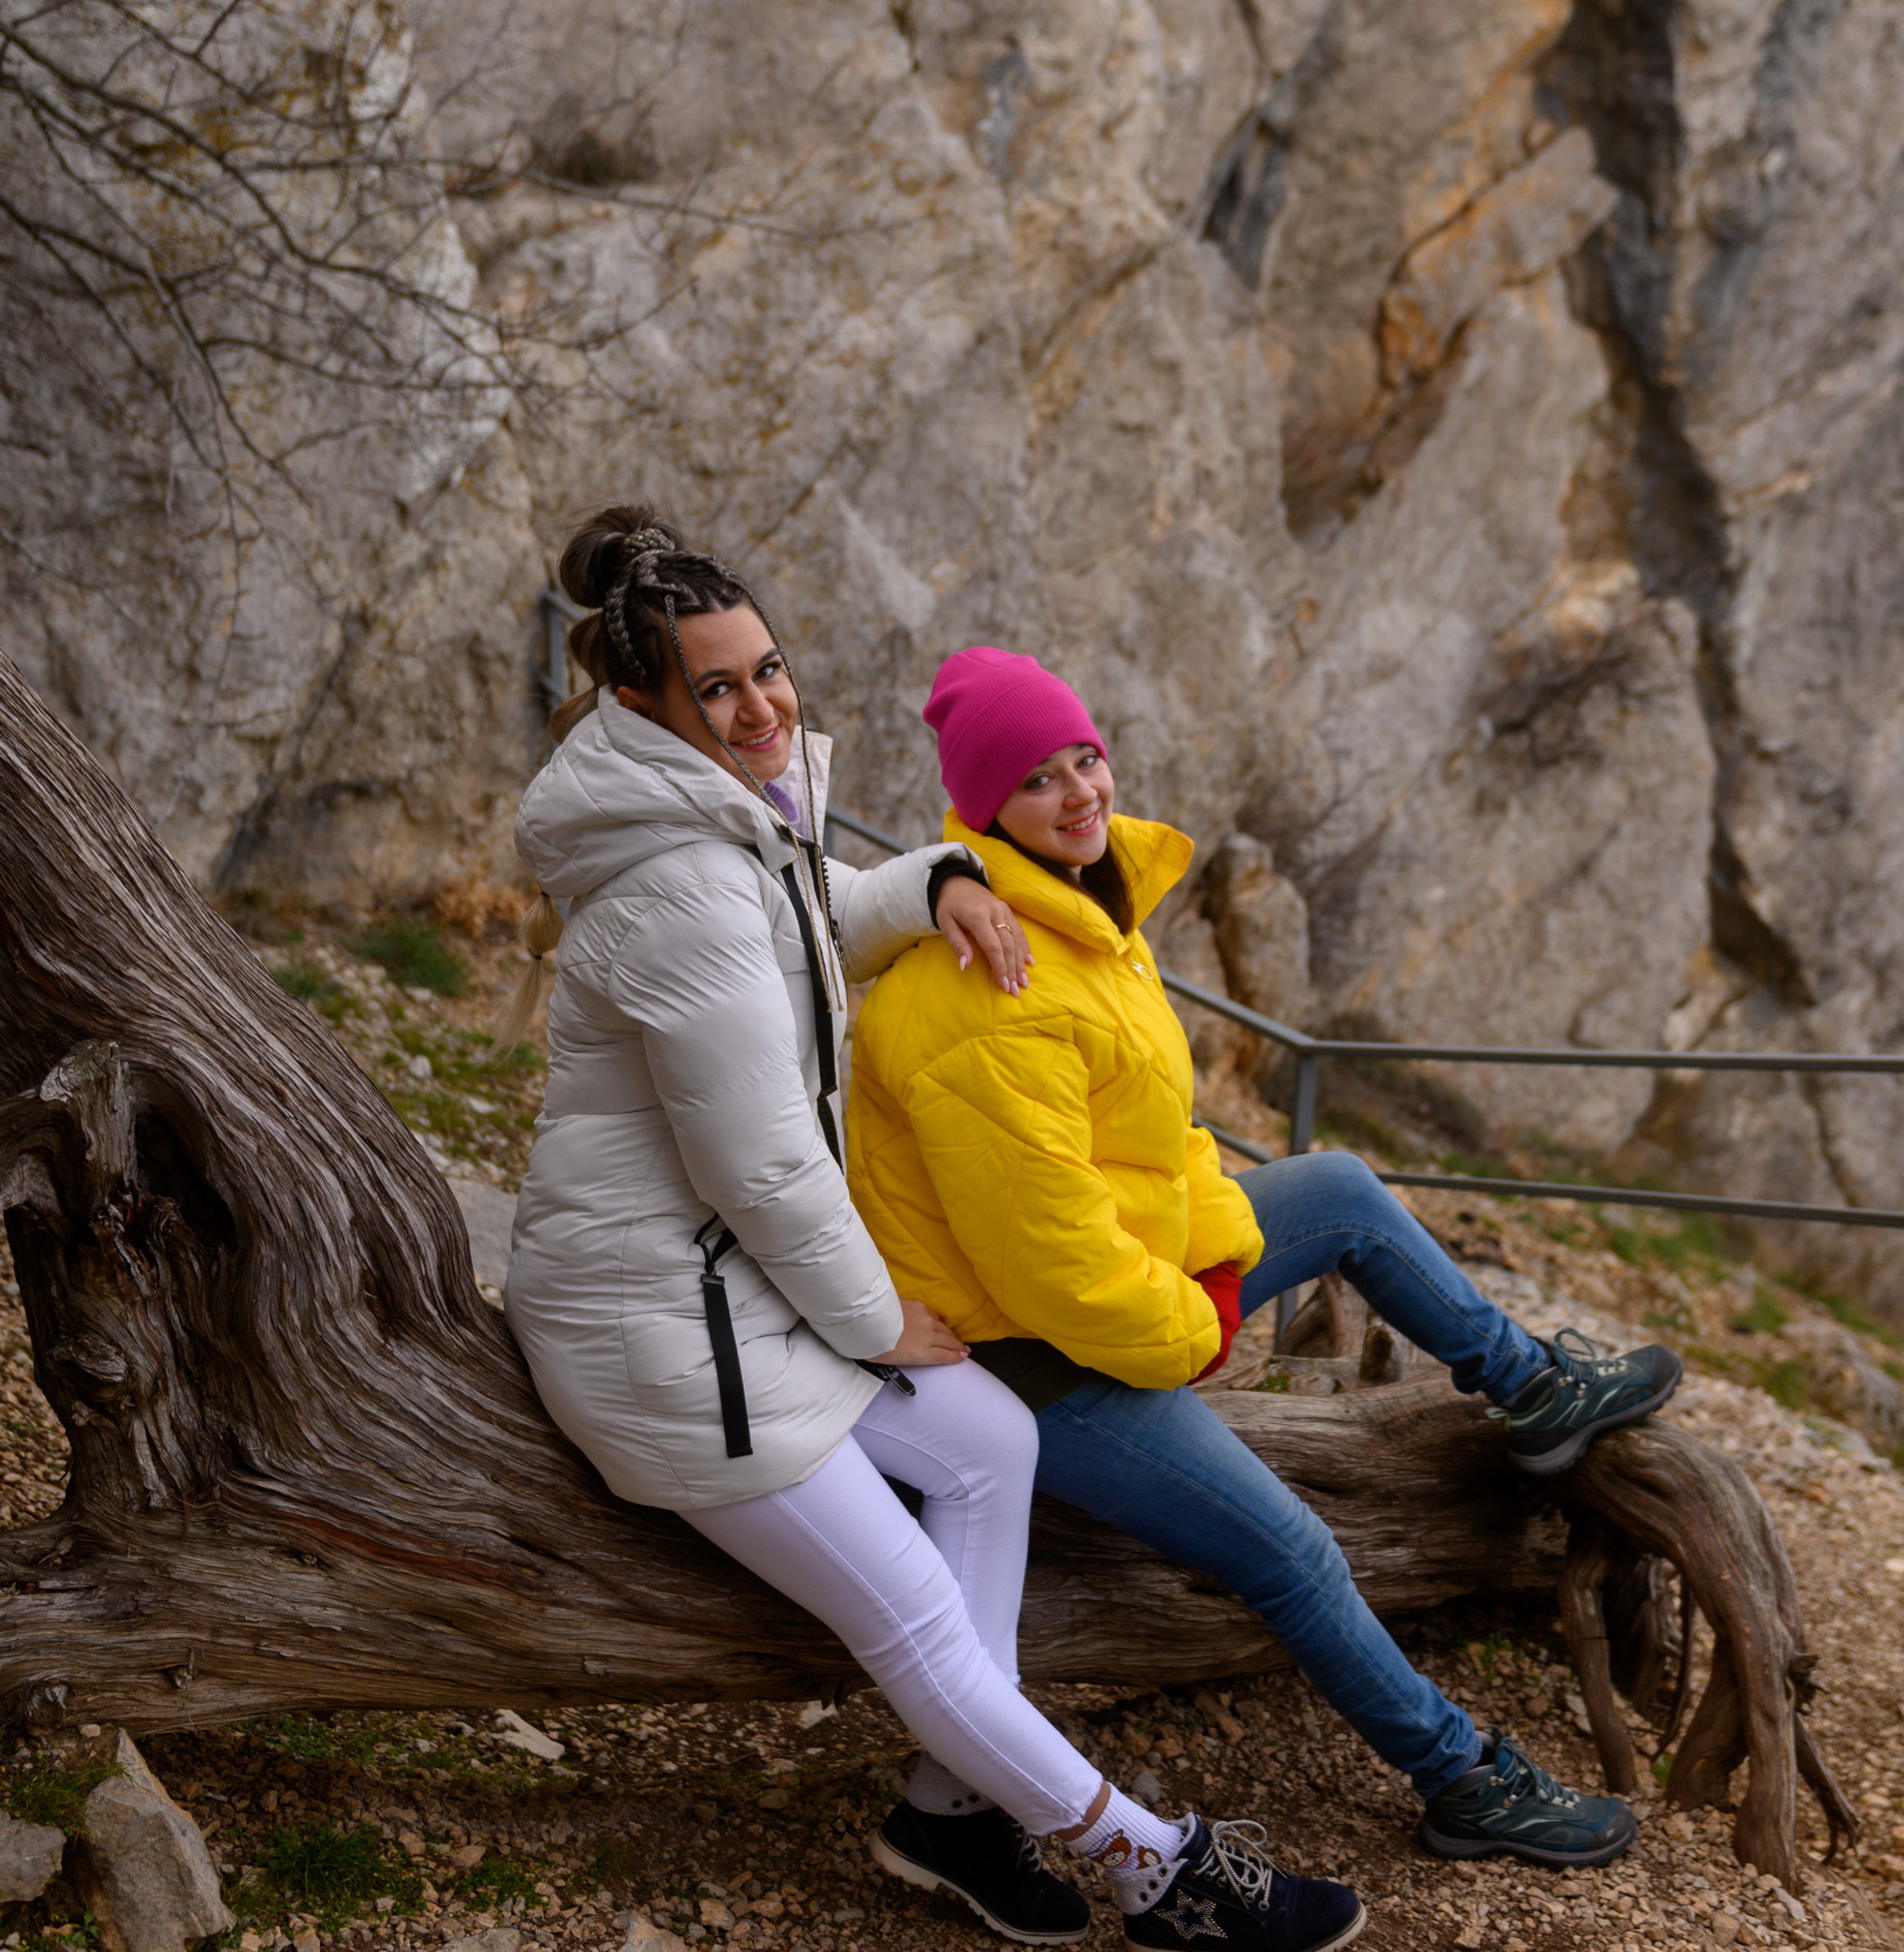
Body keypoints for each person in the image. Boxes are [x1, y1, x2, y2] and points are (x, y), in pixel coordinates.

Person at [500, 518, 1366, 1952]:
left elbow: (816, 916)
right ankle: (1154, 1868)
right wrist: (870, 1320)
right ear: (644, 704)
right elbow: (764, 1165)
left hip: (737, 1296)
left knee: (992, 1443)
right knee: (909, 1618)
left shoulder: (723, 823)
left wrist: (938, 881)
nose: (763, 706)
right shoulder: (675, 885)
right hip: (669, 1340)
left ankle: (946, 1811)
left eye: (768, 668)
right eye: (718, 689)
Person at [846, 646, 1686, 1871]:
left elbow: (1155, 1142)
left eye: (1084, 755)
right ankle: (1460, 1778)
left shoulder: (1081, 916)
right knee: (1289, 1547)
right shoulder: (992, 990)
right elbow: (1055, 1271)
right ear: (987, 812)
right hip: (1023, 1356)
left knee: (1334, 1188)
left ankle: (1532, 1392)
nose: (1080, 790)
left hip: (1100, 1291)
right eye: (1037, 779)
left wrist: (1222, 1245)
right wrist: (1198, 1327)